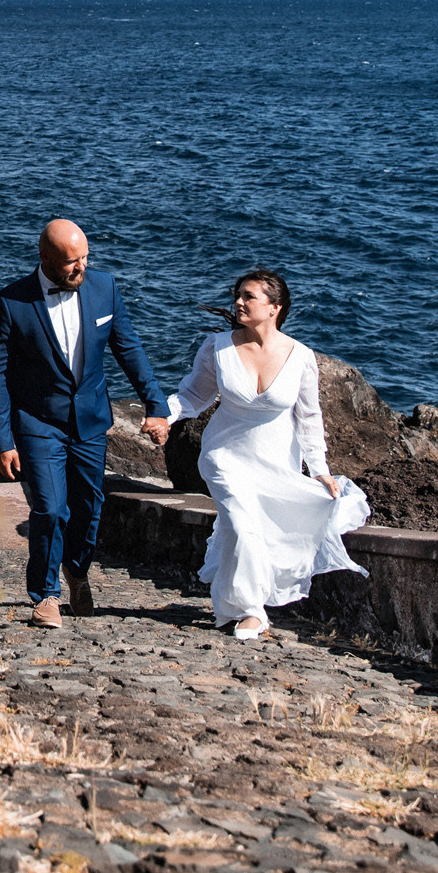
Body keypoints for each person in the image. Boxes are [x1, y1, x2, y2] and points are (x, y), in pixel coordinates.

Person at [144, 270, 369, 640]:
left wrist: (320, 471)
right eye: (237, 295)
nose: (239, 302)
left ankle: (226, 608)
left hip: (276, 461)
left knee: (244, 531)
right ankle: (252, 611)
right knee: (244, 525)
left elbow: (310, 418)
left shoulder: (301, 357)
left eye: (249, 296)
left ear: (275, 307)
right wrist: (163, 417)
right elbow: (192, 397)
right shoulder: (218, 347)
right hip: (224, 457)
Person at [0, 219, 163, 628]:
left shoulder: (105, 288)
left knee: (88, 507)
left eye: (84, 258)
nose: (80, 268)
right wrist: (2, 439)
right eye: (70, 262)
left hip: (90, 421)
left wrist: (155, 404)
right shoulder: (12, 302)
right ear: (45, 259)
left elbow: (130, 350)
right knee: (49, 509)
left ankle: (77, 571)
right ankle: (45, 594)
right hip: (37, 422)